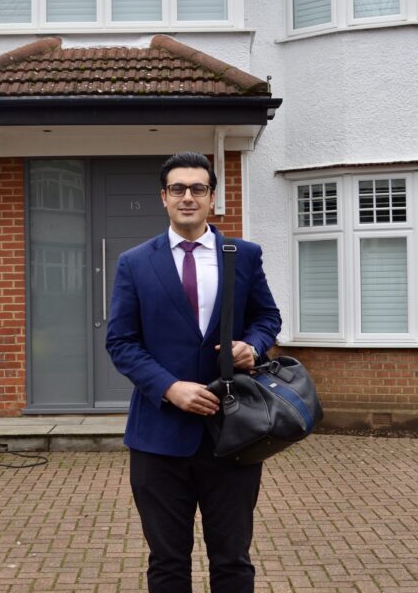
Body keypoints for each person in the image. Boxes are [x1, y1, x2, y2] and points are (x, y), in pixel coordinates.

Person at [106, 151, 282, 593]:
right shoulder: (135, 262)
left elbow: (267, 318)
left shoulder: (241, 255)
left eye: (198, 188)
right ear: (163, 197)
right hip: (159, 438)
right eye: (178, 189)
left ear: (212, 197)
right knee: (167, 562)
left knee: (232, 560)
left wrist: (253, 347)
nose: (189, 197)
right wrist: (169, 388)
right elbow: (121, 343)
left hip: (234, 434)